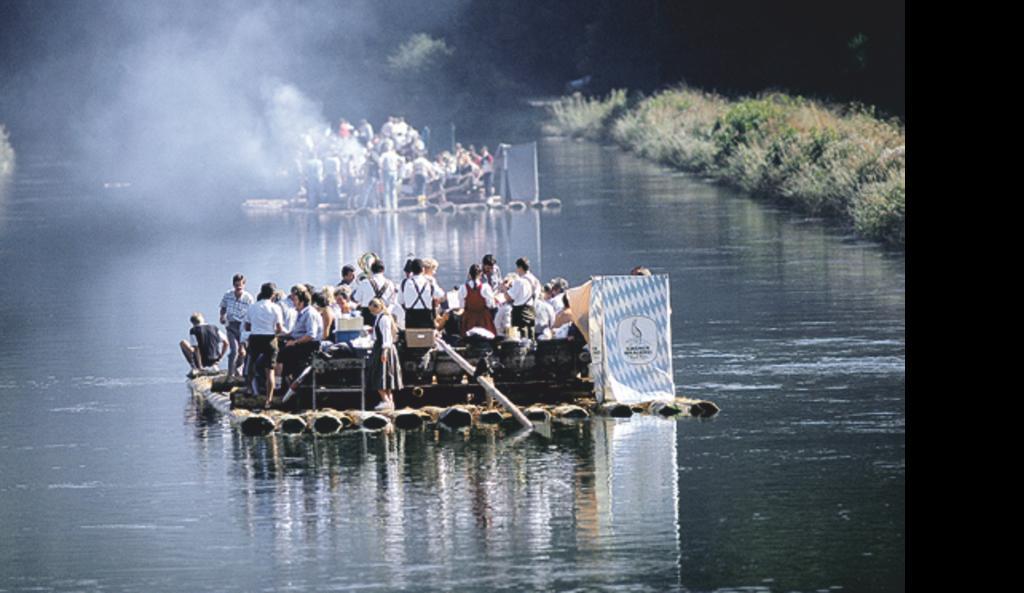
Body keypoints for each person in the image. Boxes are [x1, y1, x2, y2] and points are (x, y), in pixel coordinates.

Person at [244, 282, 285, 408]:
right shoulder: (276, 308)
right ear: (273, 294)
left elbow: (247, 326)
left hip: (255, 337)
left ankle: (249, 388)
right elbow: (279, 328)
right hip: (270, 338)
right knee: (270, 370)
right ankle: (269, 400)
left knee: (251, 364)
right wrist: (274, 333)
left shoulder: (252, 307)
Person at [277, 285, 323, 394]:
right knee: (278, 347)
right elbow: (296, 332)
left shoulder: (310, 313)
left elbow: (311, 335)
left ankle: (279, 386)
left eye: (295, 300)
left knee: (282, 354)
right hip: (301, 342)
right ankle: (285, 381)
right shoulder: (300, 314)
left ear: (301, 301)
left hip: (310, 346)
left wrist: (294, 342)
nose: (293, 303)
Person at [368, 298, 401, 411]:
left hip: (383, 348)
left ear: (377, 308)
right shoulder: (380, 317)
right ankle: (389, 401)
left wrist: (384, 351)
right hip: (382, 347)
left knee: (379, 375)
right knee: (386, 376)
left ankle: (386, 400)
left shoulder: (384, 319)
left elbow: (386, 336)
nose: (371, 312)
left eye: (372, 310)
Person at [219, 273, 254, 378]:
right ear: (233, 285)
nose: (238, 287)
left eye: (240, 285)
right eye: (236, 285)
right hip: (231, 325)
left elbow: (251, 314)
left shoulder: (248, 298)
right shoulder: (228, 295)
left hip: (243, 326)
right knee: (233, 350)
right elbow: (223, 307)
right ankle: (230, 375)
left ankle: (237, 368)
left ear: (244, 285)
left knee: (243, 352)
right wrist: (222, 316)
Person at [505, 257, 542, 339]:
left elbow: (508, 297)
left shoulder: (520, 281)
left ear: (520, 268)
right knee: (530, 334)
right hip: (531, 310)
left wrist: (505, 288)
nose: (517, 271)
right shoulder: (536, 281)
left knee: (520, 337)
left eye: (517, 268)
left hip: (519, 312)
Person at [353, 259, 396, 326]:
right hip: (383, 313)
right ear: (383, 270)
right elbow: (392, 302)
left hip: (368, 314)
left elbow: (356, 298)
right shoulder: (390, 283)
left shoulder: (365, 282)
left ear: (372, 270)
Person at [399, 258, 439, 329]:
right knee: (427, 337)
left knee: (411, 338)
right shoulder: (429, 281)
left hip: (410, 318)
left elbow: (400, 301)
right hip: (426, 317)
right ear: (423, 270)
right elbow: (440, 295)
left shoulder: (405, 283)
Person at [459, 264, 496, 336]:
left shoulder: (463, 288)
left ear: (469, 274)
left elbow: (462, 305)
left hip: (469, 318)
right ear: (480, 274)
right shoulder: (485, 287)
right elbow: (491, 304)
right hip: (483, 318)